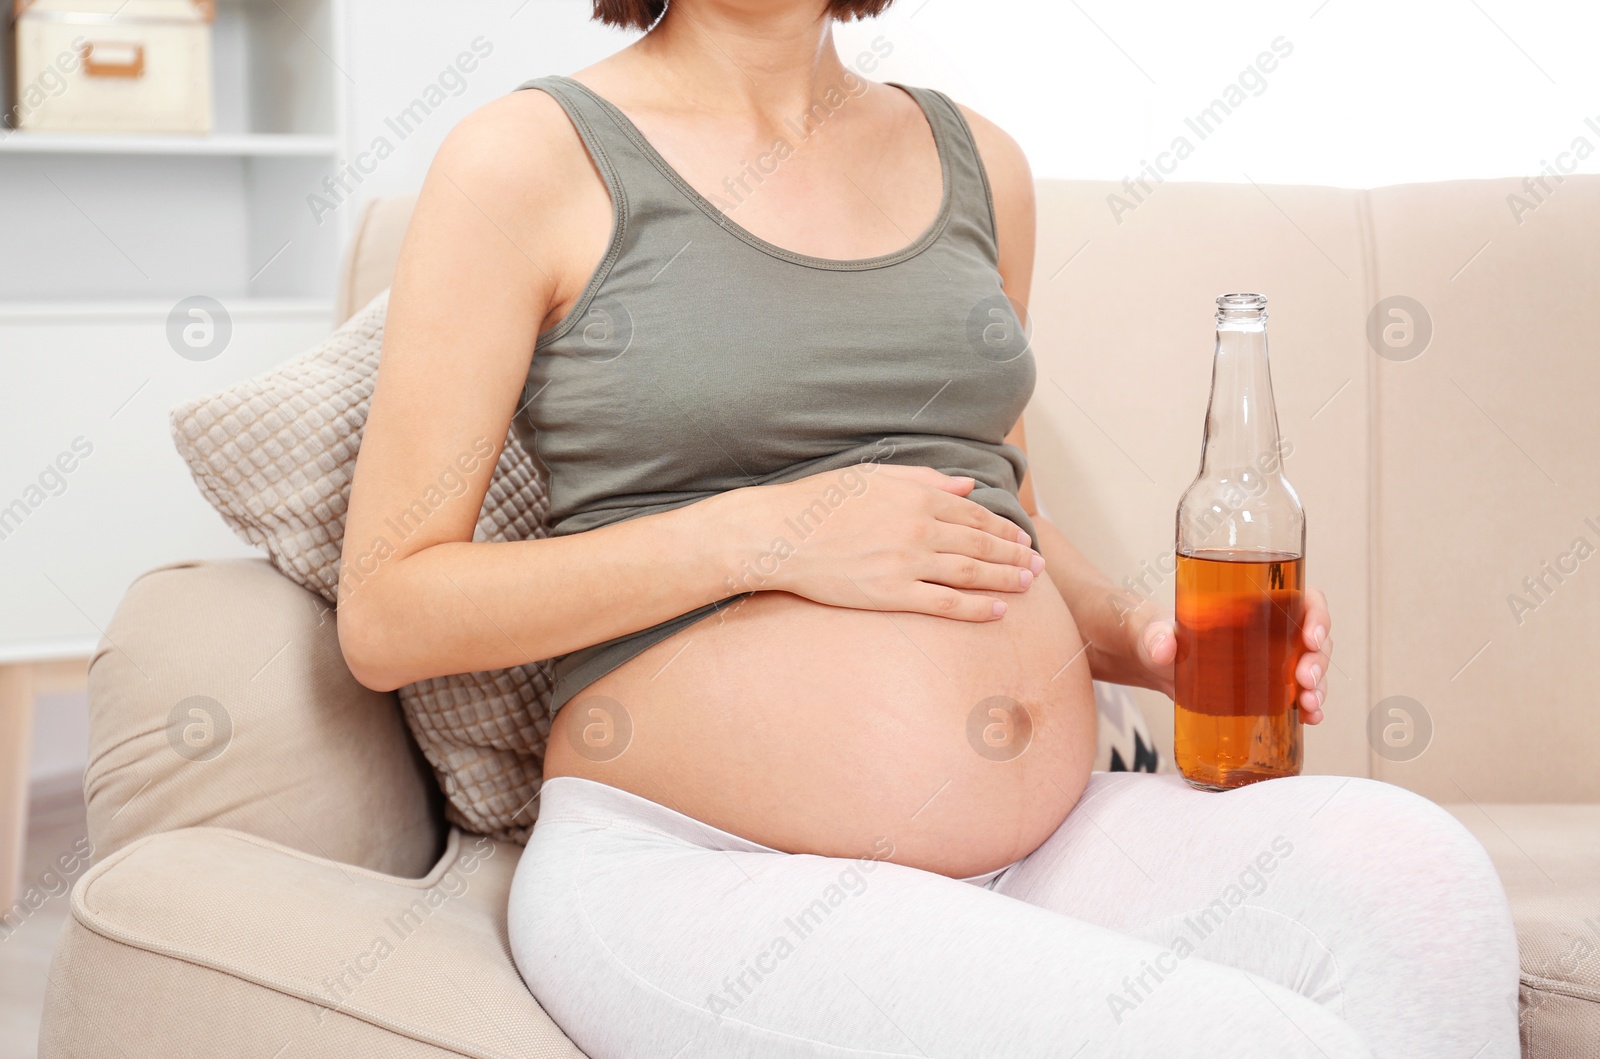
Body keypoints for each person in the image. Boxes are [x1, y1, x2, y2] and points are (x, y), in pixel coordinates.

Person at [336, 1, 1521, 1055]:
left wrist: (1143, 639)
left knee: (1420, 880)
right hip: (703, 868)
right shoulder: (527, 159)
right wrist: (767, 533)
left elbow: (996, 507)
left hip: (1051, 841)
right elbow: (389, 613)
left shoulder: (976, 159)